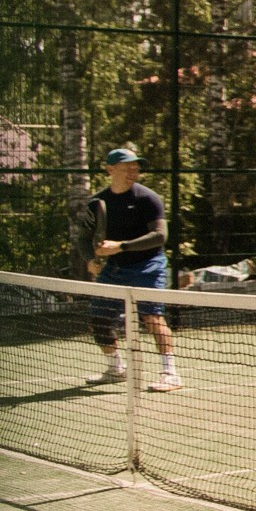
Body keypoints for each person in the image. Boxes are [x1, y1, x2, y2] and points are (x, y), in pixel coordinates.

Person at [81, 146, 181, 392]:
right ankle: (116, 368)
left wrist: (120, 246)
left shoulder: (148, 198)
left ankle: (170, 374)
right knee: (99, 320)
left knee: (152, 317)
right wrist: (90, 259)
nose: (133, 171)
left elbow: (160, 236)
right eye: (127, 167)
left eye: (136, 167)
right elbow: (83, 238)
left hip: (149, 265)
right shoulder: (96, 203)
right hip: (115, 269)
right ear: (110, 170)